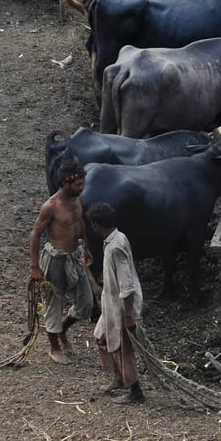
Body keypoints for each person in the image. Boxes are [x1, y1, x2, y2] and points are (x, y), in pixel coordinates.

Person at [28, 160, 94, 365]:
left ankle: (63, 329)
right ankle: (54, 347)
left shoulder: (77, 199)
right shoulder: (51, 206)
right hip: (56, 259)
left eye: (83, 183)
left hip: (75, 255)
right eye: (78, 185)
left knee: (86, 303)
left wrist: (87, 248)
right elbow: (35, 234)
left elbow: (80, 222)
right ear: (66, 183)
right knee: (53, 303)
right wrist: (35, 267)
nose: (82, 187)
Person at [88, 202, 145, 404]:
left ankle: (135, 392)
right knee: (101, 337)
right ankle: (119, 378)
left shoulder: (116, 247)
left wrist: (128, 315)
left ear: (96, 225)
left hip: (122, 306)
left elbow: (127, 284)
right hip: (111, 303)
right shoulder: (115, 240)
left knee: (123, 348)